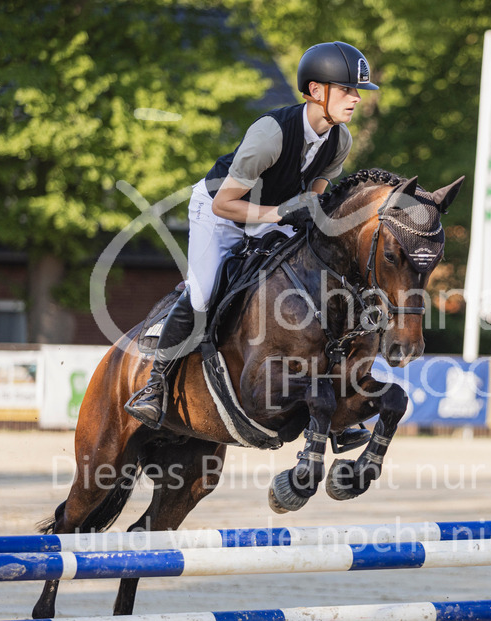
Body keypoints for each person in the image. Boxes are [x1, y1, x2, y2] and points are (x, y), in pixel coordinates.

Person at [125, 41, 379, 430]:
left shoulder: (338, 139)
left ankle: (338, 410)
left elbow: (313, 199)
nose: (356, 98)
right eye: (347, 89)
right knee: (204, 292)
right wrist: (279, 213)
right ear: (316, 91)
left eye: (356, 91)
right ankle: (155, 385)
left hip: (272, 213)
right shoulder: (271, 133)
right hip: (220, 213)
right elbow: (224, 204)